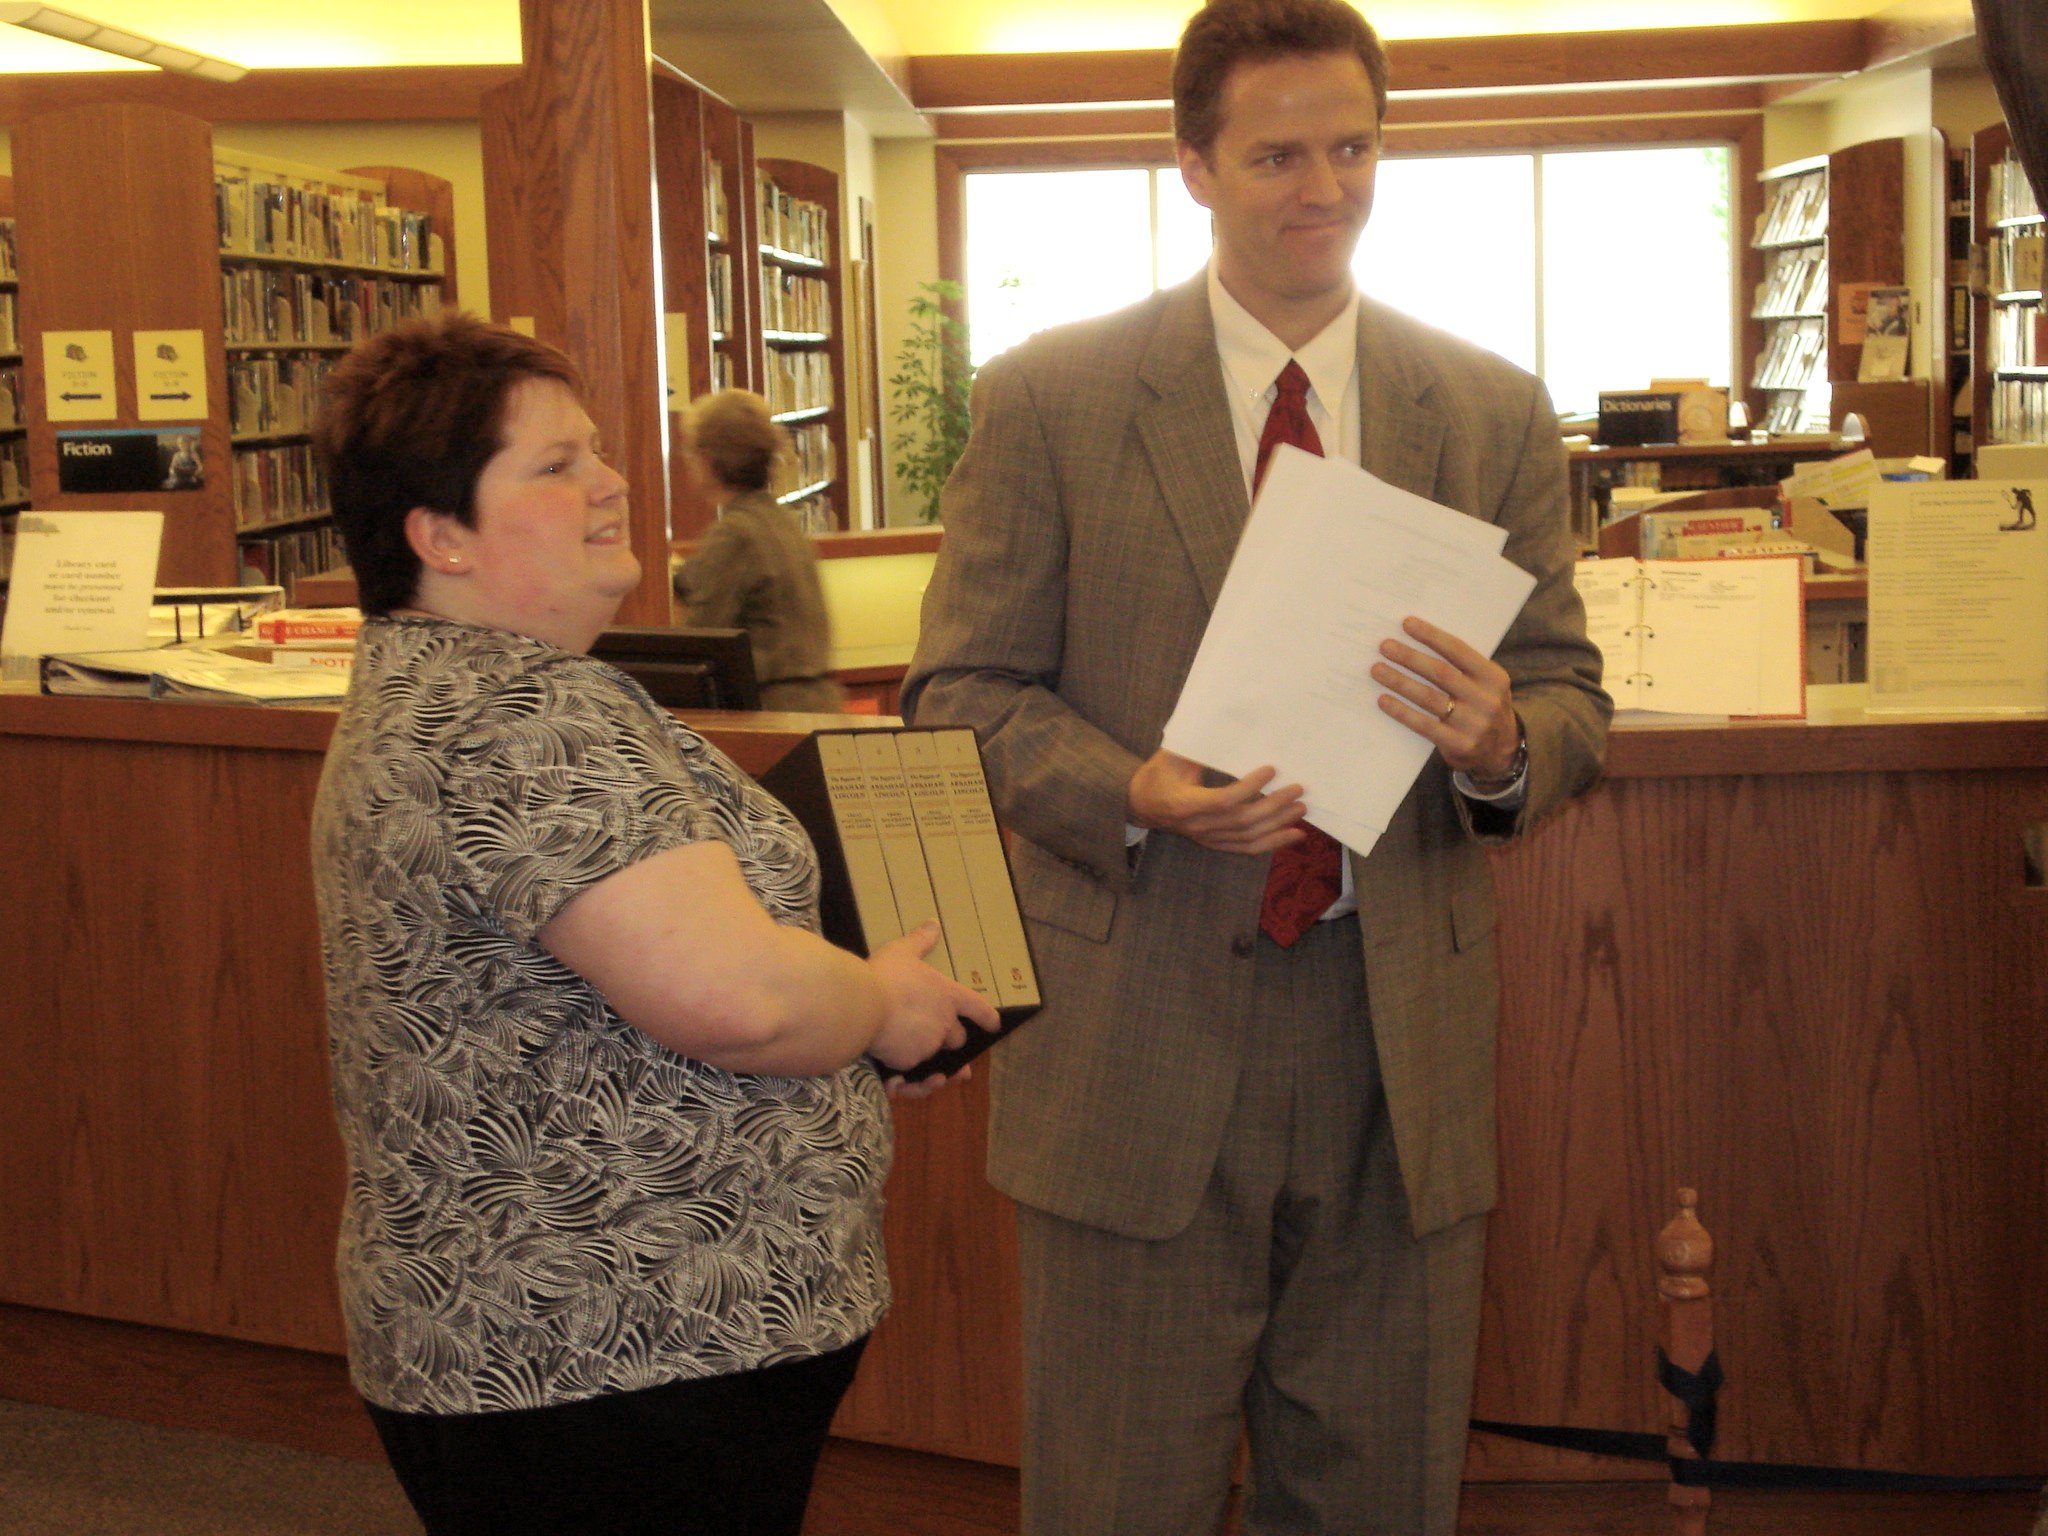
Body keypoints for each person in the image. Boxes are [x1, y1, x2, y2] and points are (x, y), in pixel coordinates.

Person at [901, 2, 1611, 1532]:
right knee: (1116, 1500)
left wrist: (1505, 745)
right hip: (1136, 1032)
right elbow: (959, 692)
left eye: (1353, 147)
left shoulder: (1488, 407)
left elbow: (1569, 692)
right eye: (1279, 155)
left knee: (1379, 1499)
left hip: (1395, 1042)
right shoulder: (1053, 397)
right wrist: (1128, 790)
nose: (1325, 188)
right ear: (1195, 167)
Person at [309, 313, 996, 1536]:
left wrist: (839, 1026)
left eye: (596, 451)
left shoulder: (441, 686)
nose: (610, 481)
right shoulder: (522, 713)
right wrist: (876, 1005)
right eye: (554, 464)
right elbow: (740, 1001)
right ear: (439, 536)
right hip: (615, 1350)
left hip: (570, 1346)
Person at [676, 389, 846, 711]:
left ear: (709, 460)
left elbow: (699, 643)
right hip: (817, 702)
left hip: (774, 708)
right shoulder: (782, 521)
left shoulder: (734, 534)